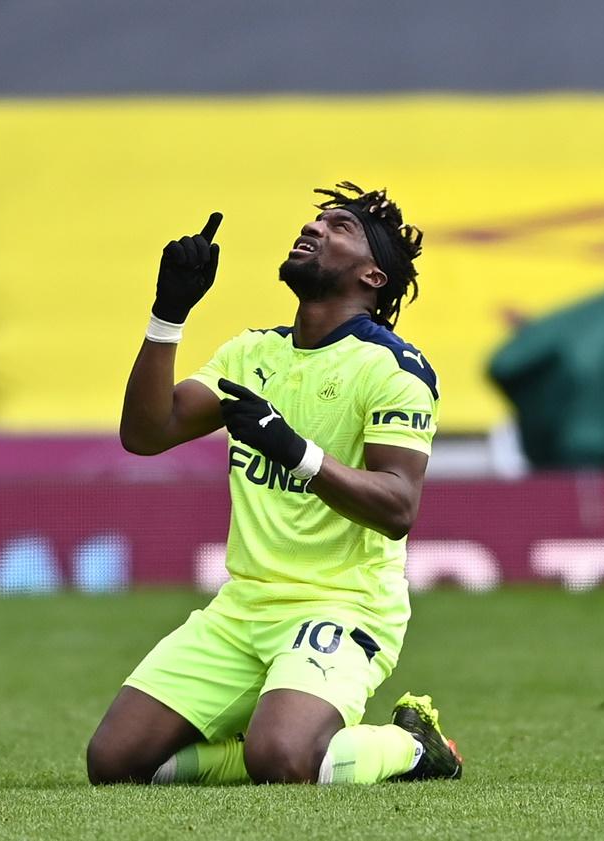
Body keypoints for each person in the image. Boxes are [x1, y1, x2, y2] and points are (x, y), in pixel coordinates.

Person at [86, 182, 462, 786]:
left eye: (340, 227)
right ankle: (264, 733)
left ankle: (413, 745)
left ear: (373, 277)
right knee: (115, 764)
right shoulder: (251, 354)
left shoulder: (393, 369)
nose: (315, 228)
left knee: (284, 761)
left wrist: (294, 450)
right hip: (243, 606)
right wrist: (169, 314)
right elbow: (146, 433)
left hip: (344, 605)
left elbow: (398, 505)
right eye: (316, 221)